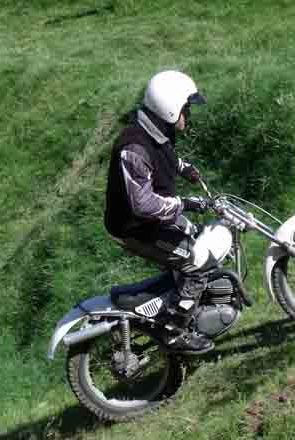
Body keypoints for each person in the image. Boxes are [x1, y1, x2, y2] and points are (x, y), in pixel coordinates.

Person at [104, 70, 216, 355]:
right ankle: (174, 331)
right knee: (197, 264)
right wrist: (184, 203)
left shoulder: (155, 131)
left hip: (151, 221)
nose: (188, 115)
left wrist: (183, 167)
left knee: (194, 236)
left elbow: (164, 154)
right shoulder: (134, 147)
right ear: (169, 108)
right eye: (185, 109)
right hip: (135, 227)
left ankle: (183, 304)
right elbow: (143, 205)